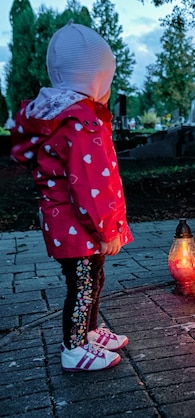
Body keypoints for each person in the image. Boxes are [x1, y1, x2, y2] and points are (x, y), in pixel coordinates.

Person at [10, 21, 133, 372]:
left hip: (66, 223)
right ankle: (74, 347)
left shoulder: (58, 116)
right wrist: (107, 229)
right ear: (95, 79)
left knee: (90, 277)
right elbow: (90, 185)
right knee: (82, 284)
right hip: (81, 225)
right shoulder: (81, 122)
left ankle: (89, 331)